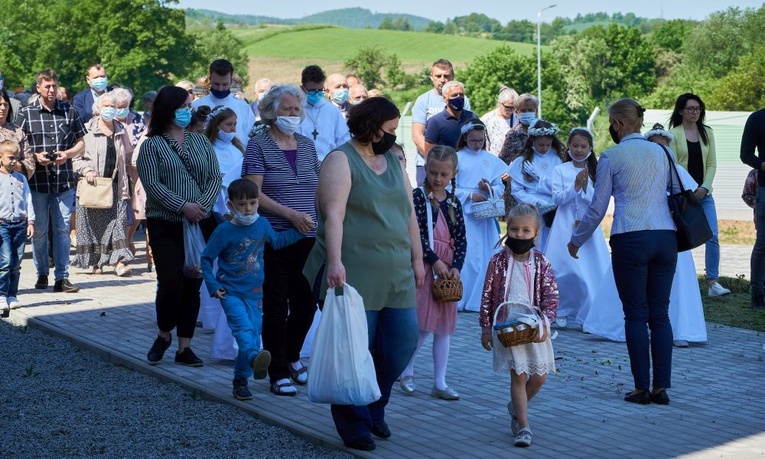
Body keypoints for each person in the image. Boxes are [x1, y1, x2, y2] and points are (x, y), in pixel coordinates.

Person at [302, 97, 425, 451]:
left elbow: (409, 215)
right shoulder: (341, 160)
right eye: (388, 130)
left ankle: (374, 404)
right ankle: (354, 423)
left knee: (401, 344)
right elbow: (334, 215)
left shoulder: (392, 161)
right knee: (354, 350)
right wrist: (336, 261)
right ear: (370, 126)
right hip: (353, 272)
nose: (391, 136)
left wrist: (417, 260)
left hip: (395, 271)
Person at [569, 98, 678, 405]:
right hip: (665, 236)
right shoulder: (662, 151)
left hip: (630, 236)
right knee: (660, 314)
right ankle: (662, 387)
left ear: (617, 124)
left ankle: (641, 387)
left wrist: (576, 240)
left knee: (635, 315)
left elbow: (597, 208)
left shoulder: (612, 156)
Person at [582, 123, 707, 347]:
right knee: (636, 292)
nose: (661, 148)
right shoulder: (637, 163)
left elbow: (690, 192)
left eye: (665, 144)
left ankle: (678, 329)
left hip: (666, 233)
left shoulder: (674, 167)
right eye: (657, 144)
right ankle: (630, 329)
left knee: (671, 288)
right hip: (643, 231)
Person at [243, 84, 320, 396]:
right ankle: (277, 371)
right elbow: (253, 194)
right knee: (276, 306)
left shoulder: (307, 144)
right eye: (287, 109)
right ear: (272, 113)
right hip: (275, 238)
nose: (293, 114)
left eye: (296, 109)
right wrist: (291, 215)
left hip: (310, 236)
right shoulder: (258, 145)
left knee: (307, 305)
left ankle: (291, 355)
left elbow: (317, 186)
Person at [137, 85, 222, 367]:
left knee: (192, 282)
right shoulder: (152, 145)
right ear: (169, 109)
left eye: (190, 105)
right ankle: (164, 334)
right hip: (166, 223)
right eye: (184, 105)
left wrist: (202, 207)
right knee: (171, 281)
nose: (189, 110)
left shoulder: (200, 142)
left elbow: (213, 177)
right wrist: (183, 206)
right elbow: (153, 185)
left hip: (199, 222)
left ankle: (185, 347)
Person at [201, 178, 305, 400]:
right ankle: (253, 358)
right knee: (243, 331)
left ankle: (241, 380)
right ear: (230, 206)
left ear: (259, 202)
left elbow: (277, 241)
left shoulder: (262, 225)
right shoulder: (223, 231)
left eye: (252, 203)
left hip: (256, 294)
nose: (248, 209)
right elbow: (206, 259)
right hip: (230, 293)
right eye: (242, 204)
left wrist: (302, 230)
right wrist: (213, 285)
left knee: (254, 333)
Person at [479, 204, 558, 448]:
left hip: (535, 327)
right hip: (508, 327)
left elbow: (551, 294)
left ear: (536, 233)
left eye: (526, 231)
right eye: (514, 230)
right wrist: (485, 327)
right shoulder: (498, 261)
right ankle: (523, 426)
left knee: (539, 376)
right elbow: (487, 294)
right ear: (507, 230)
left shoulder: (541, 262)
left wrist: (546, 321)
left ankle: (515, 406)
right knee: (519, 375)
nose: (519, 235)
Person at [399, 145, 466, 400]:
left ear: (453, 174)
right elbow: (415, 234)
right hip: (426, 266)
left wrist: (456, 267)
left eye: (443, 175)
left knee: (443, 328)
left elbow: (461, 239)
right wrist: (434, 260)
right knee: (422, 325)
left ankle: (440, 381)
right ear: (425, 169)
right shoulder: (417, 197)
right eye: (433, 173)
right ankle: (406, 370)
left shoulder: (453, 202)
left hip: (447, 270)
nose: (437, 179)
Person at [15, 69, 86, 293]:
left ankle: (62, 277)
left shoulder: (69, 111)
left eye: (54, 85)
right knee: (40, 230)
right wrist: (35, 158)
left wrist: (68, 154)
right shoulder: (26, 113)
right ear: (38, 88)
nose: (52, 90)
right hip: (37, 182)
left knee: (63, 228)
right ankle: (42, 272)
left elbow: (81, 142)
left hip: (63, 180)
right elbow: (17, 148)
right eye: (47, 86)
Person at [544, 127, 609, 328]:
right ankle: (561, 309)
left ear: (590, 148)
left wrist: (585, 186)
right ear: (569, 147)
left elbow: (597, 200)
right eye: (575, 146)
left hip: (587, 225)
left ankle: (588, 312)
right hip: (564, 224)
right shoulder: (559, 170)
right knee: (563, 268)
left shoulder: (596, 172)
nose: (579, 150)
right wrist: (575, 187)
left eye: (583, 146)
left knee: (587, 270)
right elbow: (558, 198)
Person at [668, 94, 729, 298]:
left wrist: (705, 187)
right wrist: (689, 190)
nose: (695, 112)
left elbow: (711, 163)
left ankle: (713, 282)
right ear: (681, 111)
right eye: (691, 108)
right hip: (683, 195)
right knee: (683, 237)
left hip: (705, 193)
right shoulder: (674, 134)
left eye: (698, 108)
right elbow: (674, 167)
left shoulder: (707, 133)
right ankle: (679, 281)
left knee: (712, 235)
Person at [72, 92, 134, 276]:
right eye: (105, 105)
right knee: (94, 227)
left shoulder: (121, 131)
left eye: (112, 106)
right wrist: (86, 170)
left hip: (117, 186)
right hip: (93, 187)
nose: (109, 109)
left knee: (118, 224)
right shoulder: (86, 130)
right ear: (98, 108)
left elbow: (129, 157)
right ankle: (97, 263)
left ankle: (119, 262)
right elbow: (76, 157)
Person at [453, 120, 506, 312]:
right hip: (466, 215)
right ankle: (462, 294)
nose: (477, 144)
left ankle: (480, 298)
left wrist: (489, 188)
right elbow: (450, 186)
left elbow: (500, 186)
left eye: (480, 140)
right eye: (473, 140)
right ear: (465, 138)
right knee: (470, 255)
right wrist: (469, 195)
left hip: (484, 216)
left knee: (485, 254)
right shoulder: (457, 158)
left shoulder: (490, 160)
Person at [412, 59, 472, 186]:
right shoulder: (423, 101)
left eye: (446, 76)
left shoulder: (462, 99)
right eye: (438, 76)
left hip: (457, 165)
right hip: (428, 164)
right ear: (431, 77)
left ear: (453, 76)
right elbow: (417, 135)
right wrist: (436, 161)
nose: (442, 79)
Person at [508, 120, 565, 253]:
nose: (544, 148)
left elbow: (560, 186)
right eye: (541, 145)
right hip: (530, 209)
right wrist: (536, 202)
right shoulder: (521, 161)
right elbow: (517, 191)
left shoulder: (557, 159)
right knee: (532, 243)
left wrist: (540, 177)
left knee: (550, 244)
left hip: (553, 209)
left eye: (548, 145)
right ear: (532, 141)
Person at [0, 140, 35, 313]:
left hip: (20, 224)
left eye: (16, 158)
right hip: (3, 225)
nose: (14, 161)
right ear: (1, 158)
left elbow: (28, 199)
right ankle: (1, 295)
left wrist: (30, 221)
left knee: (16, 262)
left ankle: (12, 294)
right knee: (5, 261)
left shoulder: (21, 178)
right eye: (10, 158)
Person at [193, 60, 255, 145]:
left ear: (231, 80)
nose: (220, 89)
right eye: (216, 84)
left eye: (225, 84)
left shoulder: (243, 107)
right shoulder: (196, 106)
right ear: (210, 79)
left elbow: (250, 137)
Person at [297, 65, 350, 162]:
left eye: (319, 90)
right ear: (303, 88)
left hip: (329, 163)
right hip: (302, 164)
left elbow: (344, 140)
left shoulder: (332, 110)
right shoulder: (295, 109)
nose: (316, 94)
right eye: (312, 91)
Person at [740, 106, 765, 309]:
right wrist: (762, 165)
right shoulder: (757, 118)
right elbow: (745, 154)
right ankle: (758, 296)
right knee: (763, 243)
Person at [500, 94, 539, 212]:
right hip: (518, 187)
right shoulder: (513, 134)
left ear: (535, 110)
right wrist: (506, 174)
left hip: (540, 184)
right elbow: (502, 160)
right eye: (523, 110)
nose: (527, 112)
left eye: (530, 110)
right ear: (517, 112)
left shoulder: (544, 131)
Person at [423, 80, 475, 157]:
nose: (458, 97)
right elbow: (430, 152)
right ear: (445, 98)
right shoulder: (435, 122)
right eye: (454, 95)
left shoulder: (472, 118)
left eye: (461, 94)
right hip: (445, 167)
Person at [0, 90, 34, 178]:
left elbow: (30, 162)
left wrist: (13, 164)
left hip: (15, 185)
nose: (3, 108)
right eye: (0, 104)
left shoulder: (17, 131)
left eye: (5, 104)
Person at [481, 86, 519, 156]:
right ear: (499, 103)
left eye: (513, 107)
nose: (510, 110)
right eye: (507, 107)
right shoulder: (486, 120)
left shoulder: (518, 119)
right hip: (493, 161)